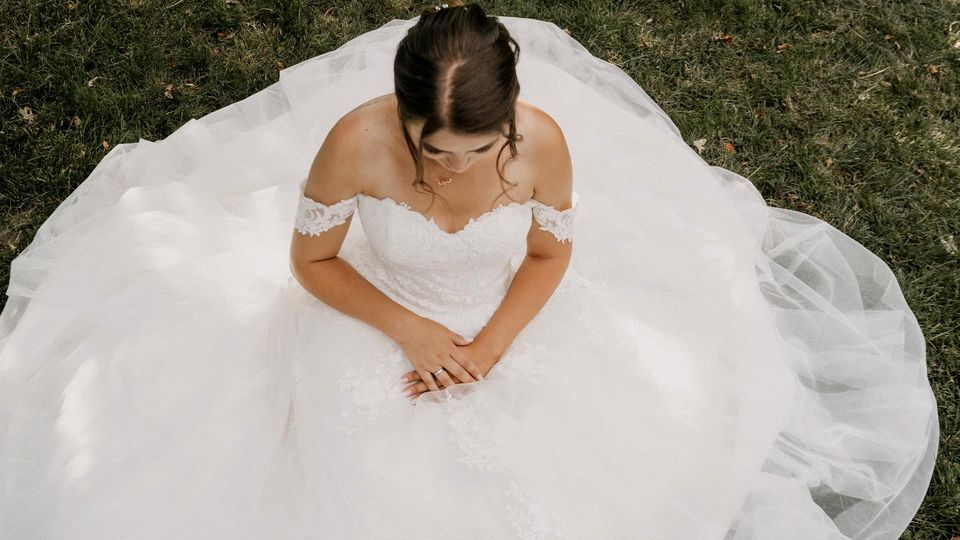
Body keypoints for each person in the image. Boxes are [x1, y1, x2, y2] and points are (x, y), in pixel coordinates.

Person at [0, 2, 939, 539]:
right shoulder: (353, 145)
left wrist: (489, 346)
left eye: (473, 150)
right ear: (401, 116)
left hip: (503, 323)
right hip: (372, 316)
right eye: (430, 149)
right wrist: (406, 326)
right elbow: (311, 260)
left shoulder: (545, 147)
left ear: (511, 121)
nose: (448, 170)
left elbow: (548, 251)